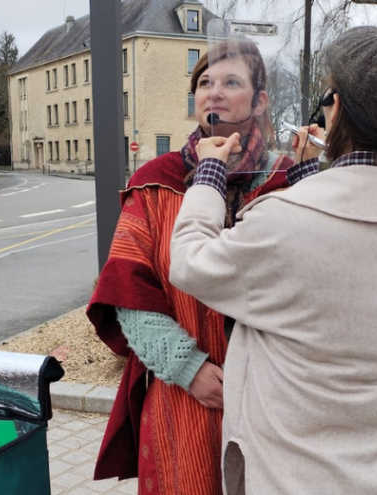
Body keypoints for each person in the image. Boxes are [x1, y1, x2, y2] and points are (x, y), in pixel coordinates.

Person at [169, 26, 377, 495]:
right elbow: (345, 257)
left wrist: (208, 174)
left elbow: (189, 261)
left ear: (336, 107)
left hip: (294, 473)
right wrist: (310, 174)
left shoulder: (283, 219)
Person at [87, 38, 311, 494]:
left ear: (260, 100)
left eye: (231, 82)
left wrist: (311, 179)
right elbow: (130, 292)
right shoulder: (155, 182)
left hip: (271, 395)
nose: (215, 93)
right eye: (205, 83)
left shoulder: (288, 179)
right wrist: (188, 368)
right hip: (184, 398)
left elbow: (312, 283)